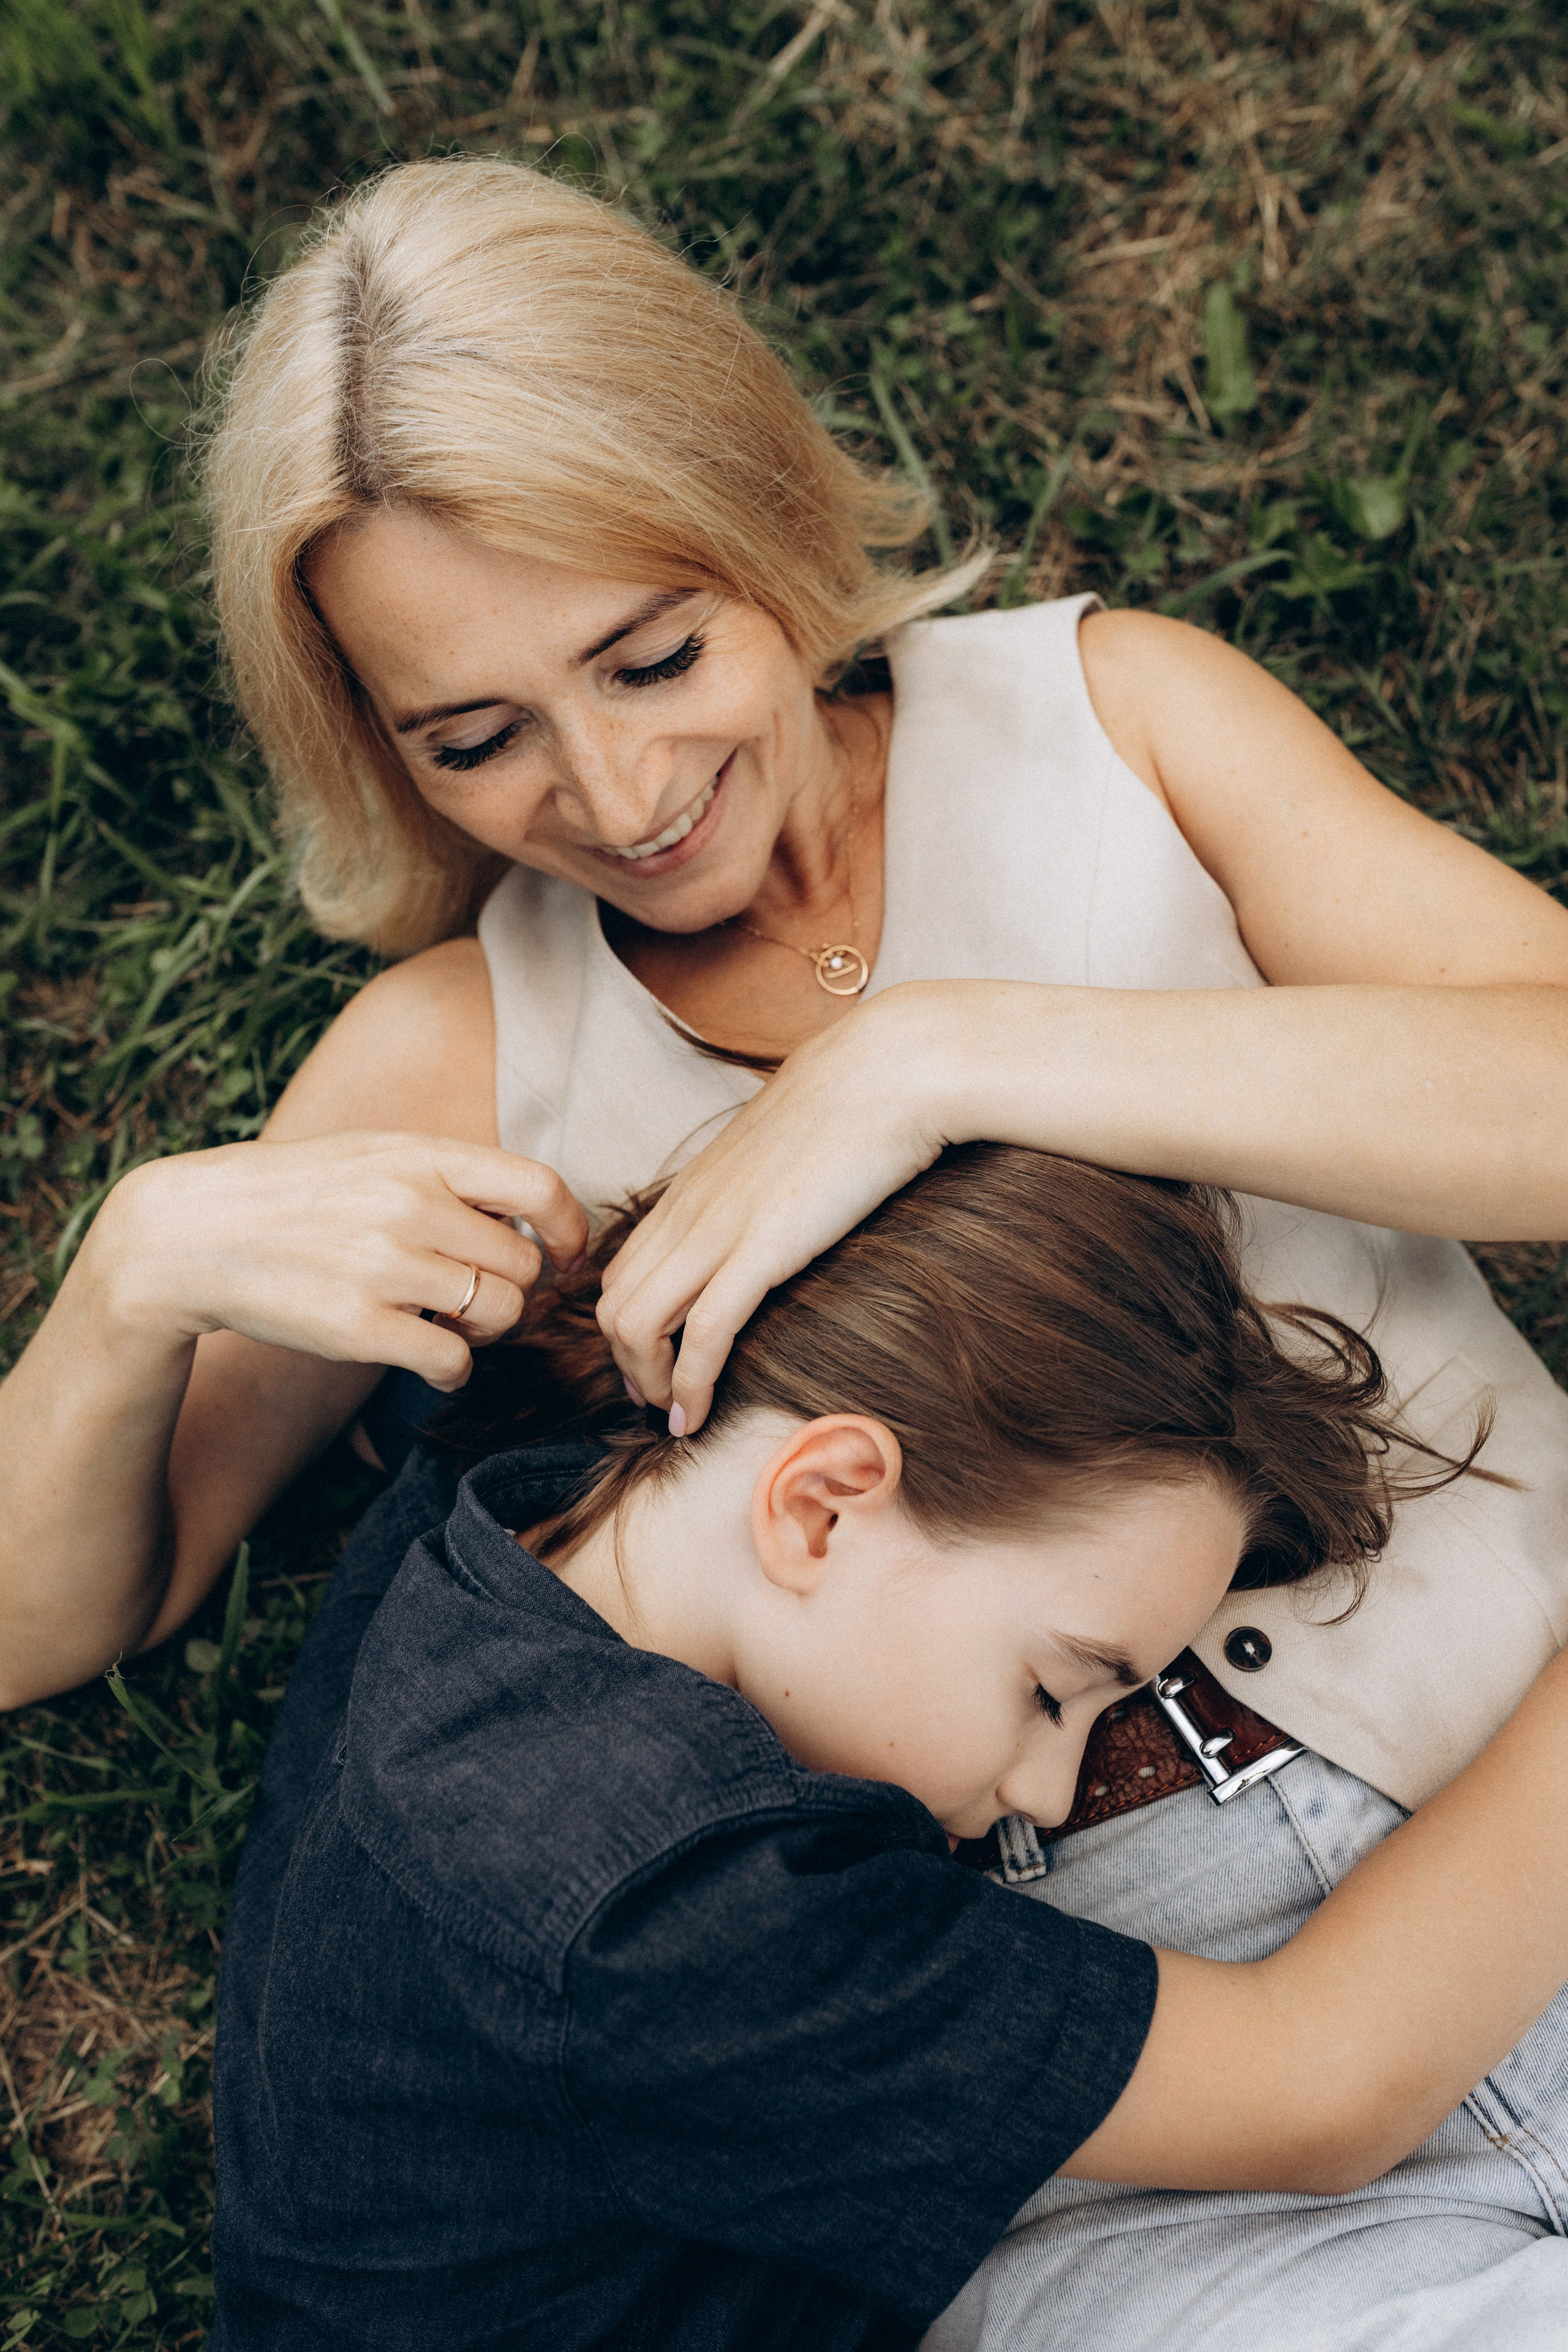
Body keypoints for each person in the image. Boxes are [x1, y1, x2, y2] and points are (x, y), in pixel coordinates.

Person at [4, 155, 1568, 2341]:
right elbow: (59, 1609)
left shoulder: (1114, 729)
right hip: (1099, 2013)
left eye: (655, 653)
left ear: (762, 531)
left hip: (1516, 1704)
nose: (620, 789)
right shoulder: (455, 1056)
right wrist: (128, 1276)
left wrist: (954, 1060)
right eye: (477, 740)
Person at [210, 1145, 1568, 2352]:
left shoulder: (531, 1496)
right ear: (821, 1506)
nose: (1045, 1788)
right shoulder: (674, 1917)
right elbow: (1321, 2086)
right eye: (1055, 1688)